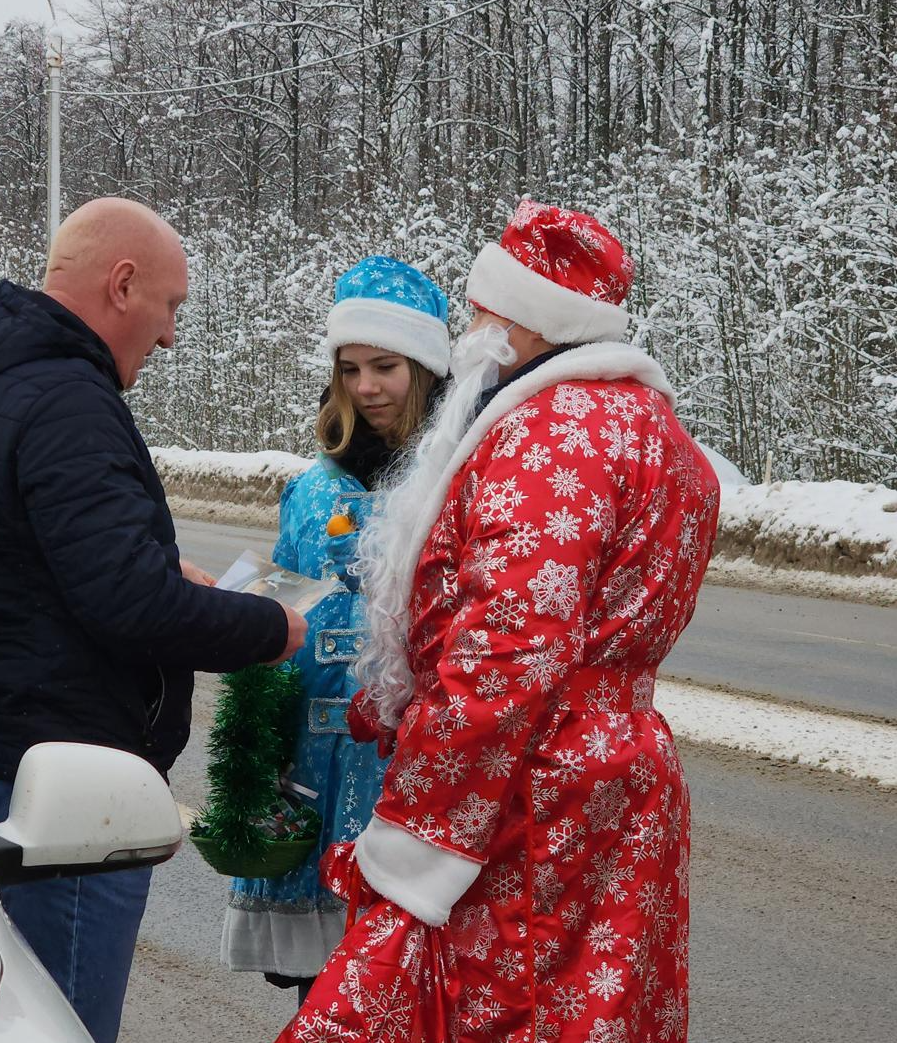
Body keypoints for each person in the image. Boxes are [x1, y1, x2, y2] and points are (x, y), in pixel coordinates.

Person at [278, 200, 721, 1043]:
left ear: (521, 320)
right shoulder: (657, 431)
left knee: (512, 1006)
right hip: (621, 777)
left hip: (532, 792)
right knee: (601, 1004)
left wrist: (416, 830)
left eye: (482, 308)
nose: (471, 325)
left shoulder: (550, 435)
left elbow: (507, 654)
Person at [0, 196, 307, 1043]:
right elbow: (128, 603)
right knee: (61, 1020)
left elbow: (23, 553)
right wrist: (266, 629)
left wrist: (146, 556)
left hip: (1, 747)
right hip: (73, 795)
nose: (170, 335)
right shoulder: (68, 398)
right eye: (170, 306)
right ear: (123, 284)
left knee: (12, 1013)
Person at [221, 256, 450, 998]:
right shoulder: (313, 487)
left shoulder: (457, 477)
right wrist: (253, 756)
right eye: (349, 368)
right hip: (315, 775)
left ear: (424, 366)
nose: (365, 387)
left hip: (413, 780)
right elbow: (279, 612)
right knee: (320, 998)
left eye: (384, 366)